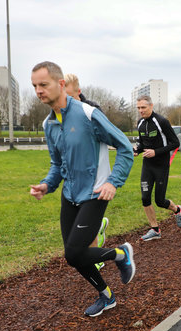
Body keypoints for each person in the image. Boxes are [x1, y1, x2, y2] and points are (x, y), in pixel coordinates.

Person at [29, 61, 135, 317]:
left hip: (96, 193)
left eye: (44, 84)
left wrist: (113, 181)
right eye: (35, 86)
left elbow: (125, 147)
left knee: (75, 252)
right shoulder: (49, 124)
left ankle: (121, 254)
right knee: (74, 256)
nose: (39, 90)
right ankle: (106, 296)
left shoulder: (88, 114)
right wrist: (46, 184)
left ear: (61, 84)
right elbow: (57, 164)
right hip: (70, 196)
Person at [65, 73, 108, 270]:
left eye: (69, 96)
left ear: (78, 92)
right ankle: (98, 227)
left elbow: (111, 137)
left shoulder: (92, 111)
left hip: (96, 180)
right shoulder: (60, 115)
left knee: (84, 227)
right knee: (76, 228)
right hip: (75, 180)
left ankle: (97, 257)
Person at [134, 95, 181, 241]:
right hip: (147, 166)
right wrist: (137, 149)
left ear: (151, 106)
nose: (140, 111)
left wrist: (156, 152)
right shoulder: (140, 123)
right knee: (145, 198)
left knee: (160, 200)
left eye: (143, 107)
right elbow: (142, 143)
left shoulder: (161, 121)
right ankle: (155, 229)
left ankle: (177, 210)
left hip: (161, 166)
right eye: (138, 108)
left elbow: (175, 143)